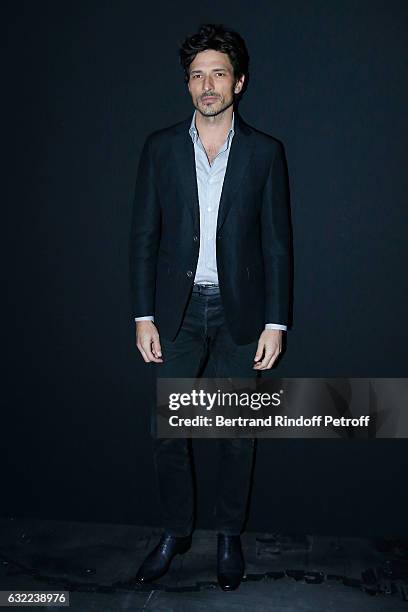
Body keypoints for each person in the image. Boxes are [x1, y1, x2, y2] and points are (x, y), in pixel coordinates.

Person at [129, 23, 292, 591]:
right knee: (170, 433)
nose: (207, 84)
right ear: (188, 86)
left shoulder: (267, 153)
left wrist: (276, 321)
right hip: (175, 313)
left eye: (218, 73)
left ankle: (228, 535)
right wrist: (143, 315)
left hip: (239, 314)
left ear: (239, 82)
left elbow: (276, 243)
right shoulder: (159, 147)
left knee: (235, 434)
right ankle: (175, 532)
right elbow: (143, 236)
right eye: (197, 75)